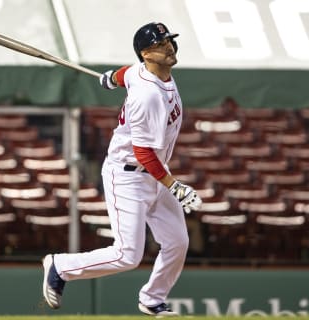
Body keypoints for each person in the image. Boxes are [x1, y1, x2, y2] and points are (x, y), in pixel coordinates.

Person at [42, 22, 202, 317]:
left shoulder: (146, 72)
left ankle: (153, 298)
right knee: (127, 255)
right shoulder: (148, 95)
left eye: (169, 41)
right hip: (128, 175)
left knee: (177, 241)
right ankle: (60, 265)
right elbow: (143, 152)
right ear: (146, 54)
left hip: (153, 173)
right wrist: (174, 186)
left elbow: (126, 72)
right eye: (160, 44)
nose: (168, 47)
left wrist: (111, 79)